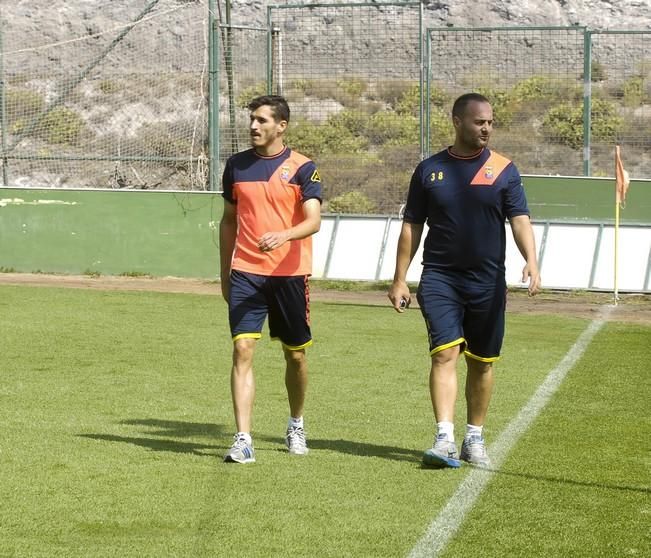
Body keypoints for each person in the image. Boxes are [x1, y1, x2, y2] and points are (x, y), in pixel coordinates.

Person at [388, 92, 541, 469]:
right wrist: (399, 279)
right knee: (444, 353)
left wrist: (532, 261)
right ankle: (444, 438)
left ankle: (474, 437)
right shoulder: (429, 170)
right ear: (457, 122)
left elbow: (519, 220)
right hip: (440, 277)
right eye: (479, 121)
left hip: (488, 283)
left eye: (490, 122)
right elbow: (411, 226)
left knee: (483, 362)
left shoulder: (505, 169)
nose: (486, 127)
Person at [219, 95, 322, 464]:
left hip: (290, 275)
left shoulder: (303, 168)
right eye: (251, 119)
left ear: (282, 126)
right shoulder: (236, 167)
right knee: (243, 349)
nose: (253, 126)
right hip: (247, 272)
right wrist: (225, 272)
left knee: (295, 356)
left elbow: (313, 220)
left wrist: (285, 235)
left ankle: (296, 423)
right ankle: (243, 438)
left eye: (262, 120)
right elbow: (229, 221)